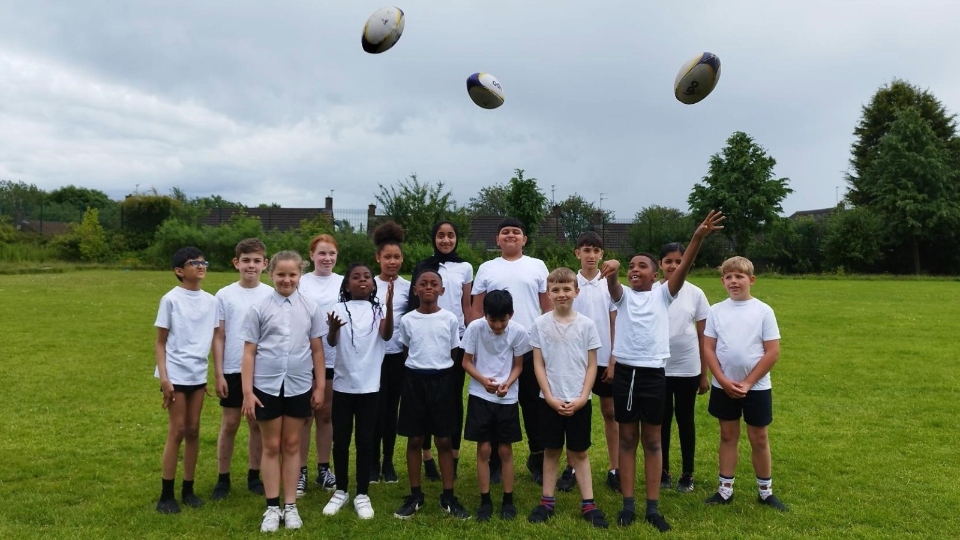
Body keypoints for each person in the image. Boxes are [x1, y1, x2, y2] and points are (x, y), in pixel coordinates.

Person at [600, 210, 724, 532]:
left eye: (643, 266)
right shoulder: (622, 296)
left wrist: (697, 237)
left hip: (655, 374)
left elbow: (683, 267)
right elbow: (612, 284)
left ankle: (653, 508)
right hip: (627, 374)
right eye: (631, 266)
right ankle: (628, 505)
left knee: (653, 441)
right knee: (628, 439)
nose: (635, 270)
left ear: (656, 276)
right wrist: (612, 270)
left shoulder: (663, 295)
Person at [240, 250, 326, 532]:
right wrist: (248, 392)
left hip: (300, 386)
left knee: (291, 446)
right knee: (271, 446)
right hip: (266, 387)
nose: (286, 280)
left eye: (292, 275)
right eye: (281, 275)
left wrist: (320, 386)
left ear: (300, 274)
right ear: (271, 274)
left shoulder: (311, 307)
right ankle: (271, 507)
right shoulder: (260, 308)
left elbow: (316, 349)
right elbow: (249, 352)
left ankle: (290, 507)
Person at [703, 256, 788, 512]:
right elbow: (708, 348)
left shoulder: (763, 311)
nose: (733, 281)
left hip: (757, 387)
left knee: (759, 437)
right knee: (728, 435)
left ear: (751, 280)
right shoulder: (716, 310)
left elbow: (772, 351)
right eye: (728, 277)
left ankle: (765, 491)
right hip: (724, 386)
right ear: (722, 281)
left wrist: (749, 382)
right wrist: (721, 380)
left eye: (739, 276)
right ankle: (725, 489)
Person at [472, 217, 551, 485]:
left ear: (524, 239)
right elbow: (476, 309)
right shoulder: (486, 268)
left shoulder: (537, 266)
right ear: (497, 239)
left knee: (533, 405)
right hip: (496, 350)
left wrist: (548, 339)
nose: (510, 236)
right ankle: (494, 460)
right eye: (505, 232)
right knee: (494, 404)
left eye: (516, 232)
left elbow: (547, 306)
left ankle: (537, 458)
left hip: (529, 346)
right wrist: (480, 342)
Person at [527, 268, 608, 529]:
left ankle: (589, 504)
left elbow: (592, 365)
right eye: (555, 290)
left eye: (566, 289)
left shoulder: (586, 325)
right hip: (549, 400)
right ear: (548, 294)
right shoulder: (540, 324)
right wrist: (549, 397)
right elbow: (538, 365)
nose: (561, 294)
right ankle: (546, 502)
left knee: (580, 452)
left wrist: (583, 397)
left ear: (576, 291)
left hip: (579, 401)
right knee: (551, 451)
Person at [394, 268, 470, 520]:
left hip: (442, 382)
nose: (428, 287)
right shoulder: (407, 320)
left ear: (441, 290)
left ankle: (448, 495)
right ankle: (415, 494)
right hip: (415, 381)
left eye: (433, 283)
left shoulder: (449, 318)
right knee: (415, 439)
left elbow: (453, 353)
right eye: (423, 284)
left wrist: (440, 375)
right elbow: (406, 351)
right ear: (415, 290)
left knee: (444, 440)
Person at [322, 263, 394, 519]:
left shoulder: (380, 309)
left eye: (366, 277)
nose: (362, 281)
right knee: (340, 440)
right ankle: (341, 490)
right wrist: (332, 329)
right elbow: (331, 342)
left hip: (370, 386)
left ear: (373, 285)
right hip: (343, 385)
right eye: (355, 277)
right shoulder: (338, 308)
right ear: (346, 285)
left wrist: (391, 304)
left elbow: (386, 335)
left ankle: (362, 493)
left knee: (365, 441)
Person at [154, 246, 219, 514]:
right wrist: (165, 379)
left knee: (193, 431)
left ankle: (188, 489)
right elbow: (160, 343)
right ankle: (166, 495)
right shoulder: (170, 300)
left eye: (204, 262)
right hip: (175, 374)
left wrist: (215, 374)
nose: (201, 266)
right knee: (177, 430)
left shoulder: (211, 301)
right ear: (179, 271)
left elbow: (214, 338)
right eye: (194, 263)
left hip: (197, 374)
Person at [410, 220, 475, 481]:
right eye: (440, 235)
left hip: (456, 340)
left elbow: (467, 305)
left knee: (451, 400)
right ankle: (427, 458)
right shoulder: (424, 266)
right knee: (425, 400)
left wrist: (471, 338)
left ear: (456, 238)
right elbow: (414, 303)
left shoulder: (465, 267)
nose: (446, 240)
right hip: (427, 338)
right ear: (433, 238)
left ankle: (454, 456)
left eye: (450, 236)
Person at [211, 238, 273, 501]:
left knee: (257, 425)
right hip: (233, 369)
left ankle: (254, 474)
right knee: (230, 423)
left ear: (265, 264)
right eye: (246, 260)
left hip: (262, 371)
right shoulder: (224, 295)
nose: (251, 265)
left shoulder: (271, 294)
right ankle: (222, 478)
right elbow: (219, 336)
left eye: (256, 261)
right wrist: (219, 373)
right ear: (236, 263)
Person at [461, 289, 528, 521]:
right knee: (485, 448)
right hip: (480, 396)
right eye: (492, 320)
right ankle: (485, 500)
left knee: (505, 449)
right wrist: (483, 380)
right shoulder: (475, 329)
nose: (498, 326)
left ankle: (508, 501)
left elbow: (518, 366)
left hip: (506, 398)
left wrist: (507, 384)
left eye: (502, 320)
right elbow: (466, 362)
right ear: (485, 315)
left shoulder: (519, 332)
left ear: (511, 314)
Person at [656, 242, 711, 493]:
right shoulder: (653, 292)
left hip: (688, 368)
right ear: (660, 265)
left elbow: (704, 336)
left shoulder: (696, 294)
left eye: (679, 261)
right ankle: (663, 471)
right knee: (662, 421)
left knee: (685, 420)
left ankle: (687, 474)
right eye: (668, 261)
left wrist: (703, 374)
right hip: (659, 370)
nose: (674, 266)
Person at [570, 231, 619, 493]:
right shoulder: (571, 282)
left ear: (602, 254)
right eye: (586, 250)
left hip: (604, 360)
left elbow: (615, 321)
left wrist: (613, 359)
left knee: (610, 413)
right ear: (577, 253)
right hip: (576, 361)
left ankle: (615, 467)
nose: (591, 255)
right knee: (573, 413)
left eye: (596, 251)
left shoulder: (609, 284)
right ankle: (571, 467)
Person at [297, 234, 341, 495]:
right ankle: (299, 470)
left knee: (326, 414)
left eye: (331, 254)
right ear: (311, 255)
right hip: (306, 358)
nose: (327, 258)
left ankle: (323, 470)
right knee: (305, 416)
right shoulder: (301, 282)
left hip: (334, 358)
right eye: (322, 253)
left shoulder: (344, 282)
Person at [371, 222, 410, 484]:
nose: (392, 261)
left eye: (396, 257)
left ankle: (388, 461)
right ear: (378, 258)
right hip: (372, 358)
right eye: (387, 257)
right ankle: (372, 462)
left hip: (397, 357)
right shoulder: (368, 284)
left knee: (391, 411)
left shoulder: (408, 287)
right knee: (374, 410)